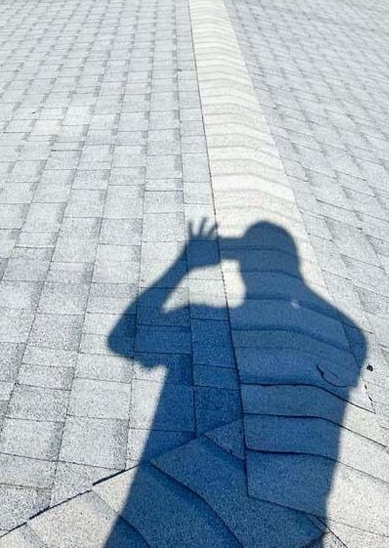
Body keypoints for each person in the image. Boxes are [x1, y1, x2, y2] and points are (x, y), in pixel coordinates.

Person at [105, 219, 366, 546]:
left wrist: (183, 266)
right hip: (307, 505)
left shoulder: (212, 316)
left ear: (242, 267)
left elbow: (119, 340)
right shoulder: (348, 332)